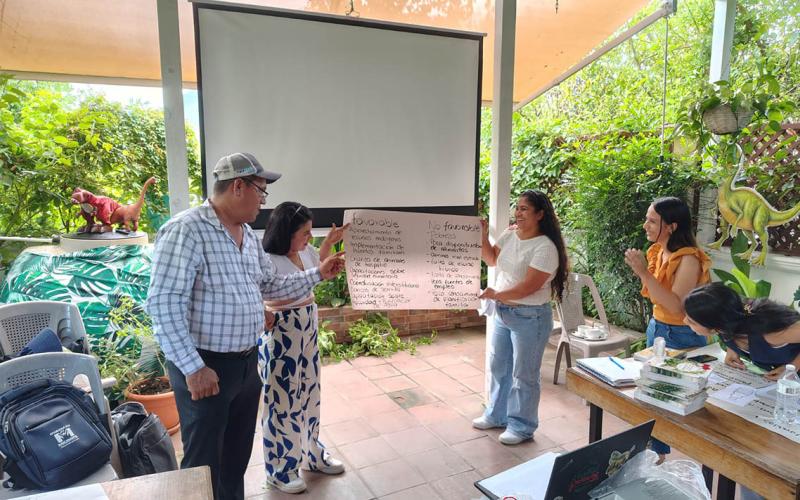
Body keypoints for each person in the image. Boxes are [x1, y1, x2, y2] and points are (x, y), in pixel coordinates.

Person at [146, 153, 344, 500]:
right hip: (207, 366)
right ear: (238, 186)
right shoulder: (187, 230)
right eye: (261, 192)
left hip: (246, 363)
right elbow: (164, 304)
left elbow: (271, 286)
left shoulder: (248, 237)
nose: (263, 202)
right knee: (204, 461)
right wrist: (194, 368)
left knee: (236, 456)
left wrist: (317, 274)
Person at [258, 202, 349, 494]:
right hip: (281, 335)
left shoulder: (304, 252)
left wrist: (328, 249)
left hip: (307, 332)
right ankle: (280, 469)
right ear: (286, 232)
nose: (310, 238)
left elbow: (313, 271)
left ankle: (312, 454)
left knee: (310, 394)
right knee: (281, 402)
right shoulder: (266, 259)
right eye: (305, 233)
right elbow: (270, 289)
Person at [471, 190, 569, 445]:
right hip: (503, 312)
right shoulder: (509, 234)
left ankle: (522, 426)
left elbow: (529, 287)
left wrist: (497, 293)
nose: (518, 212)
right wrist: (482, 236)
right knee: (499, 366)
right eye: (518, 207)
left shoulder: (545, 248)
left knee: (524, 374)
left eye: (525, 209)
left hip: (530, 317)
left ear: (540, 214)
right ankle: (496, 415)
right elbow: (492, 259)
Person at [623, 196, 710, 462]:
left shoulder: (689, 259)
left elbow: (675, 306)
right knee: (654, 393)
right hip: (657, 328)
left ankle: (695, 456)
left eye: (652, 221)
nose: (645, 225)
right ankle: (656, 455)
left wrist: (643, 273)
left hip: (682, 334)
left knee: (676, 396)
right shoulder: (658, 252)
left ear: (671, 226)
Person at [684, 282, 800, 380]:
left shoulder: (770, 332)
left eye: (692, 321)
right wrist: (732, 349)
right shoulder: (727, 323)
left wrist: (792, 368)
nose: (684, 321)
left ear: (714, 325)